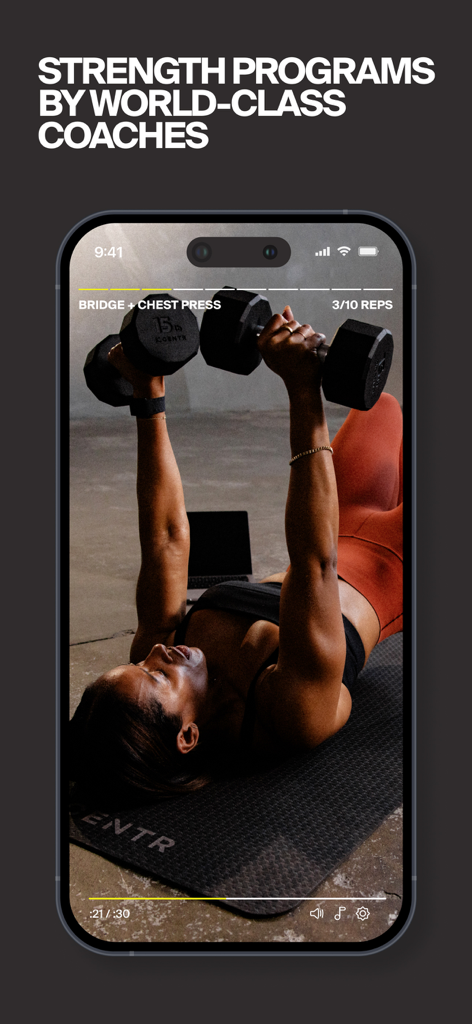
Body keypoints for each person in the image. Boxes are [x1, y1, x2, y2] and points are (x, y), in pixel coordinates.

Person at [70, 307, 403, 805]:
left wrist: (147, 390)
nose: (156, 654)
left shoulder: (162, 647)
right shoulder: (288, 714)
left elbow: (165, 537)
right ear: (187, 736)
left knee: (383, 406)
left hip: (341, 512)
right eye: (158, 676)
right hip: (396, 561)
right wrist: (302, 389)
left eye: (140, 664)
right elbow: (315, 563)